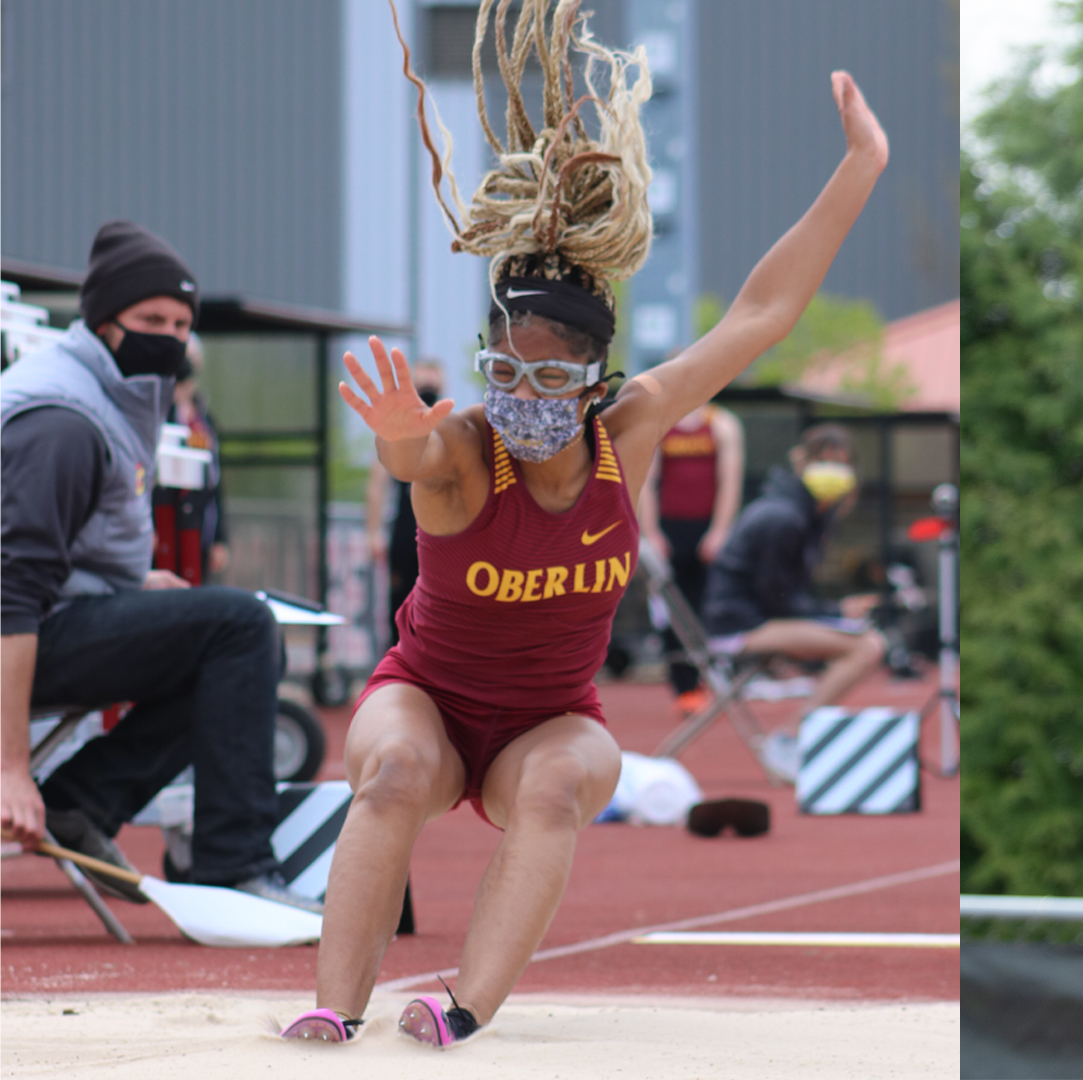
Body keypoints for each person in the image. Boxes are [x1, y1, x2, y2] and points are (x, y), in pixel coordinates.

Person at [276, 0, 886, 1046]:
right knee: (391, 774)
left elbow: (756, 316)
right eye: (504, 367)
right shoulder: (467, 447)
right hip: (424, 698)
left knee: (557, 787)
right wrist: (390, 433)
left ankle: (460, 1007)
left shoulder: (630, 430)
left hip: (549, 722)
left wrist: (858, 169)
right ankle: (333, 1009)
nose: (522, 390)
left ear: (592, 379)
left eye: (549, 373)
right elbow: (416, 457)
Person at [0, 220, 319, 914]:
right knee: (238, 626)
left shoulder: (113, 392)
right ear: (102, 321)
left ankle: (81, 804)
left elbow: (63, 548)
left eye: (181, 322)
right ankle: (232, 868)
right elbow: (12, 592)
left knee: (225, 635)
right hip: (17, 630)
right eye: (151, 319)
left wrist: (133, 586)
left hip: (50, 615)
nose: (170, 336)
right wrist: (9, 769)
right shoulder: (64, 420)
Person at [702, 423, 887, 777]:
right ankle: (789, 737)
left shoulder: (807, 512)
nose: (834, 471)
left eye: (842, 463)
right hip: (739, 625)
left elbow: (786, 593)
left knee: (865, 641)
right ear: (802, 462)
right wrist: (834, 613)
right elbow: (778, 599)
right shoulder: (783, 517)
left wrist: (834, 614)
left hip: (758, 618)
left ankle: (798, 736)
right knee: (867, 647)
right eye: (824, 460)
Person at [637, 402, 743, 712]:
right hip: (670, 531)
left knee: (710, 605)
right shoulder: (662, 422)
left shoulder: (722, 424)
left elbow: (730, 481)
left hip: (707, 528)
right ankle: (685, 687)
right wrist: (652, 532)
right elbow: (648, 482)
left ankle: (716, 677)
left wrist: (721, 531)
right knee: (673, 610)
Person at [363, 358, 445, 649]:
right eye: (423, 385)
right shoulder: (396, 427)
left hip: (441, 529)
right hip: (406, 529)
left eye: (432, 385)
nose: (428, 391)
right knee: (401, 599)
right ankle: (400, 656)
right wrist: (373, 532)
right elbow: (377, 483)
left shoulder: (449, 425)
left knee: (439, 599)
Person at [151, 334, 229, 586]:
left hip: (197, 527)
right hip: (163, 524)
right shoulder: (157, 412)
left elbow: (215, 481)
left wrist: (220, 538)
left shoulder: (204, 421)